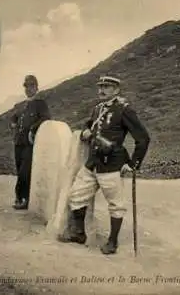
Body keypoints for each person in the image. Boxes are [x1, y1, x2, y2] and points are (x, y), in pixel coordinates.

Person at [58, 74, 150, 255]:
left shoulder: (124, 110)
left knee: (116, 204)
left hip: (112, 164)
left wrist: (133, 164)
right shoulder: (98, 109)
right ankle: (79, 233)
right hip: (93, 163)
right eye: (100, 86)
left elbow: (143, 138)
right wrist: (85, 130)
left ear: (117, 90)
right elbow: (89, 124)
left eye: (107, 87)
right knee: (76, 195)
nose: (101, 90)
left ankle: (112, 242)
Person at [9, 75, 51, 210]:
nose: (29, 89)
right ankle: (19, 196)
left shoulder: (40, 104)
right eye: (26, 86)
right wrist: (13, 125)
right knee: (19, 168)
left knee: (25, 171)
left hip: (30, 143)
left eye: (31, 86)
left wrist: (33, 129)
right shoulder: (21, 105)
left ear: (36, 88)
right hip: (18, 142)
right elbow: (13, 119)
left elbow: (46, 118)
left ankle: (25, 199)